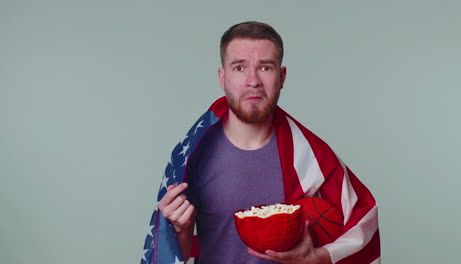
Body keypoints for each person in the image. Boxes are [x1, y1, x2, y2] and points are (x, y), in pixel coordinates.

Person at [141, 21, 380, 264]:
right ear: (222, 78)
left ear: (282, 76)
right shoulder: (193, 155)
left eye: (265, 67)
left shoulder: (310, 155)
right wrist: (179, 230)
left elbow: (364, 216)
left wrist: (320, 258)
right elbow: (176, 253)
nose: (253, 80)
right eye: (239, 67)